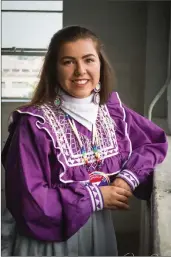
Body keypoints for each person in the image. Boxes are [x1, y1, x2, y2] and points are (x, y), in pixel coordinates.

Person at [1, 25, 168, 256]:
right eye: (68, 62)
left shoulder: (111, 111)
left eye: (89, 60)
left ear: (100, 64)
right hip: (49, 240)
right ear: (53, 69)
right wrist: (96, 197)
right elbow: (27, 198)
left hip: (99, 230)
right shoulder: (33, 124)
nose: (80, 70)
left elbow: (153, 142)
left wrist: (127, 179)